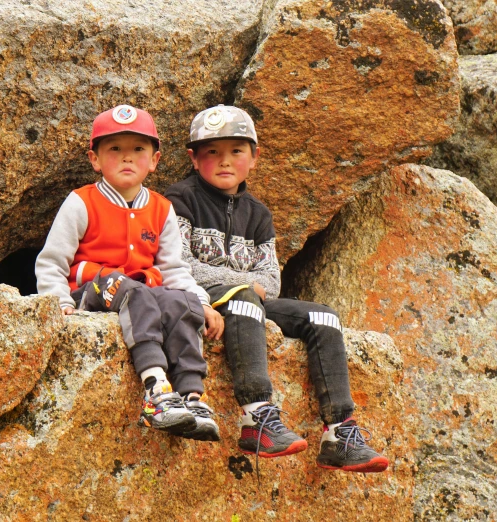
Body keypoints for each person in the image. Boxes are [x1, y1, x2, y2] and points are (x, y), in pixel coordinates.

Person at [164, 105, 389, 471]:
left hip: (249, 304)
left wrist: (248, 285)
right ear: (193, 158)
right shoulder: (179, 200)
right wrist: (244, 283)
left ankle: (340, 433)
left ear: (254, 157)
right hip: (199, 298)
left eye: (236, 151)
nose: (224, 161)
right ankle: (257, 418)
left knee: (323, 316)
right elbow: (181, 264)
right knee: (246, 295)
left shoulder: (259, 214)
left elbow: (272, 280)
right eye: (212, 152)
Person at [36, 104, 225, 442]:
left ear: (154, 160)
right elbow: (52, 262)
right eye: (115, 149)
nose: (127, 158)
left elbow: (173, 268)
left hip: (139, 293)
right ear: (95, 159)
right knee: (134, 291)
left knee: (178, 301)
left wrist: (201, 303)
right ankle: (154, 390)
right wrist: (58, 303)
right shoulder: (81, 202)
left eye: (138, 149)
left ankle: (191, 396)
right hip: (93, 292)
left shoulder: (161, 208)